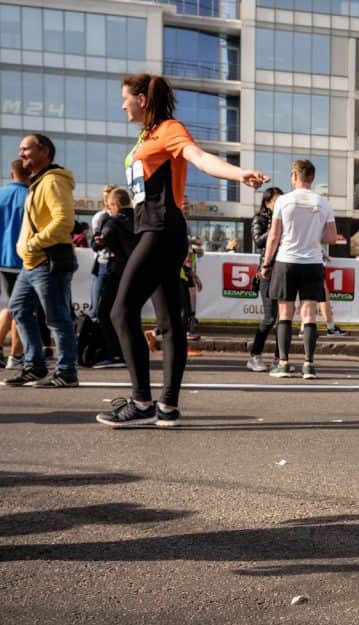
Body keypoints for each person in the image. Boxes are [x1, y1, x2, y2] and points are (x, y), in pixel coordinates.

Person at [97, 73, 267, 427]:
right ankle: (168, 408)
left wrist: (239, 174)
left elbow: (200, 158)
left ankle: (142, 402)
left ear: (142, 99)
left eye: (125, 97)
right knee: (169, 322)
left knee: (120, 311)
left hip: (160, 232)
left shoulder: (170, 129)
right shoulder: (147, 136)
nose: (121, 104)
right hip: (157, 231)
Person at [4, 134, 79, 388]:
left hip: (48, 261)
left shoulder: (53, 181)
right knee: (19, 309)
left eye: (26, 149)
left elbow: (63, 222)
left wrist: (34, 243)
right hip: (32, 262)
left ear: (44, 151)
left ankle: (67, 372)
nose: (21, 153)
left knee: (57, 318)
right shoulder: (37, 182)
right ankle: (34, 365)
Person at [260, 159, 336, 380]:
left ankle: (283, 364)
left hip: (286, 261)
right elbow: (332, 236)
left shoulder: (284, 200)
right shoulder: (323, 203)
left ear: (294, 175)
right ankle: (309, 365)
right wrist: (314, 238)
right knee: (309, 315)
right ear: (312, 178)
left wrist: (266, 264)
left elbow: (274, 236)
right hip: (312, 262)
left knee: (285, 314)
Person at [92, 188, 134, 369]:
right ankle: (130, 353)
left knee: (104, 312)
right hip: (135, 271)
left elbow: (100, 240)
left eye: (110, 205)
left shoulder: (112, 221)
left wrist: (100, 240)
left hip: (114, 270)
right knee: (129, 313)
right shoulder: (139, 218)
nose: (110, 208)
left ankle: (115, 354)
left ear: (115, 204)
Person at [246, 186, 284, 372]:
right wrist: (274, 229)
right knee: (269, 318)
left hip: (285, 270)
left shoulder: (286, 219)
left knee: (283, 319)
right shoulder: (259, 219)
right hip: (267, 271)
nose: (280, 204)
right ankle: (255, 356)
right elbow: (258, 241)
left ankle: (280, 360)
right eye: (276, 201)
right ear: (267, 203)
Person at [0, 159, 29, 369]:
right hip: (24, 259)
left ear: (11, 174)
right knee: (22, 309)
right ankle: (16, 356)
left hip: (3, 259)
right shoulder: (31, 196)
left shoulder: (1, 194)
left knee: (11, 307)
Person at [89, 184, 118, 320]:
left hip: (118, 263)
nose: (107, 200)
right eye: (105, 197)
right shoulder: (100, 217)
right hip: (103, 263)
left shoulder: (122, 216)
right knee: (98, 305)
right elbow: (95, 244)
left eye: (110, 196)